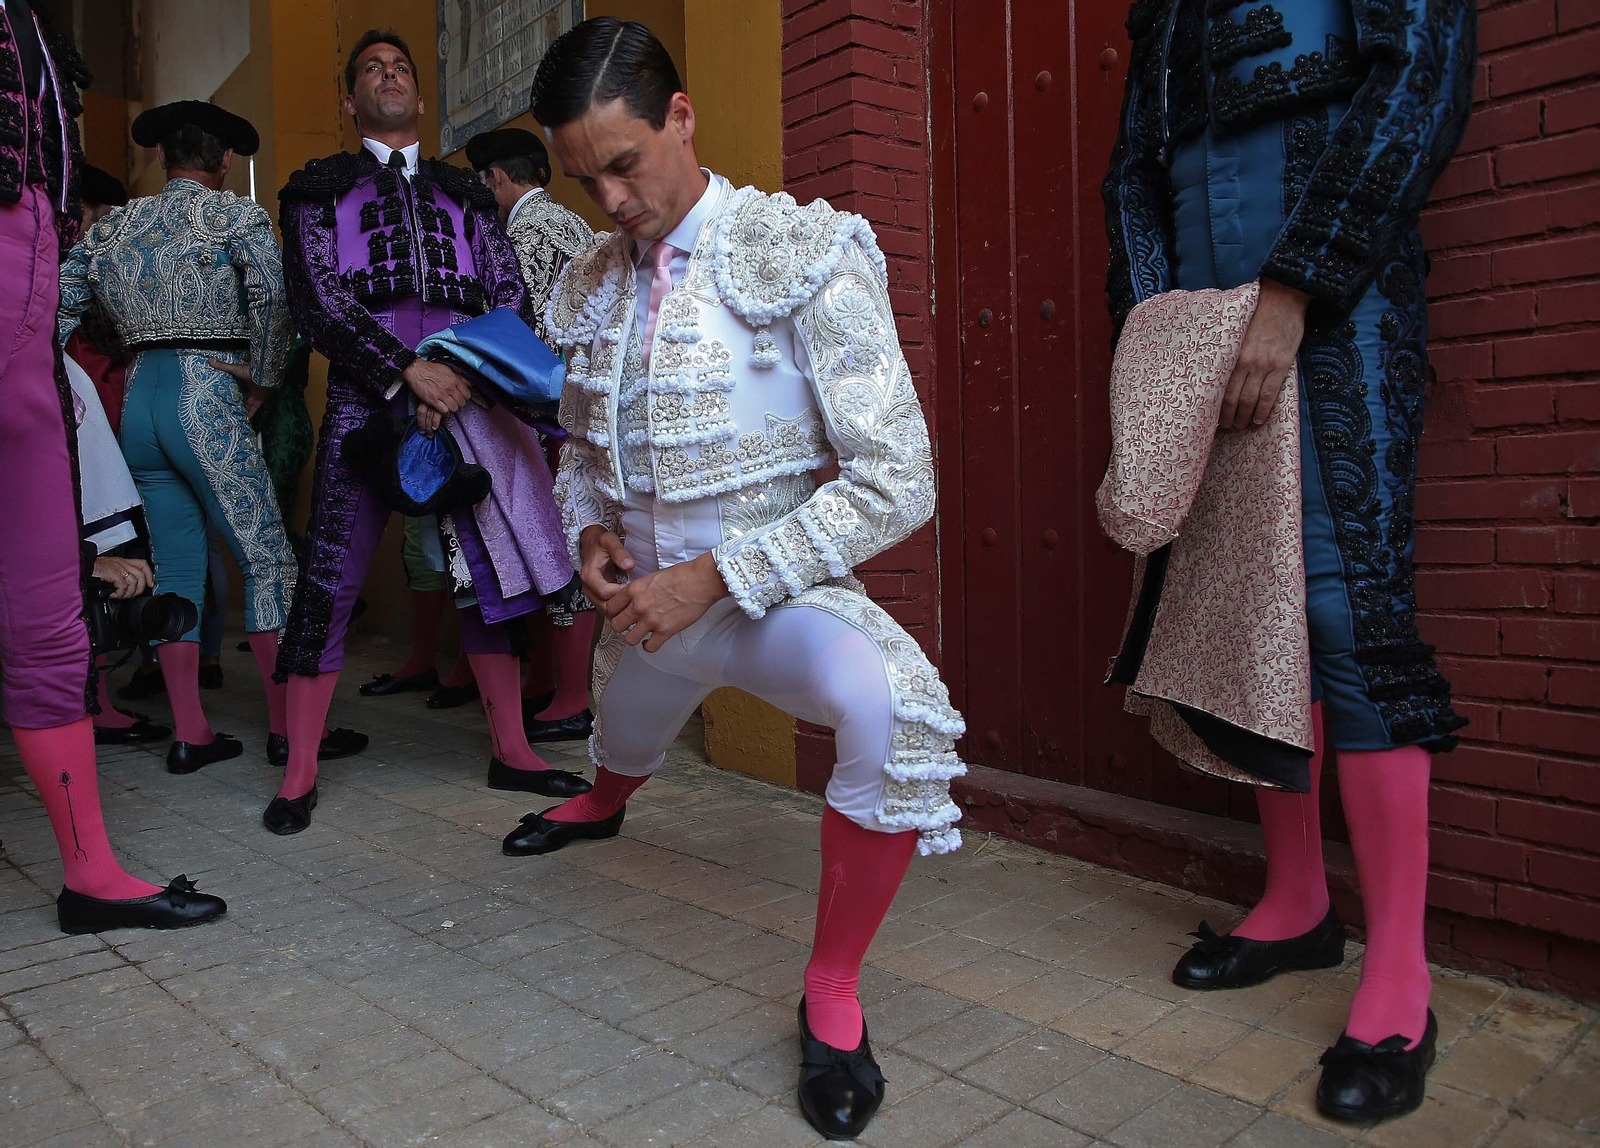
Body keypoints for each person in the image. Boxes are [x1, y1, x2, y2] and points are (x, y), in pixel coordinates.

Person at [520, 19, 965, 1141]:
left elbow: (899, 477)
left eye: (625, 162)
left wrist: (712, 575)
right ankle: (605, 799)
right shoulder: (585, 279)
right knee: (625, 734)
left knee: (885, 706)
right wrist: (590, 537)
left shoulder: (796, 247)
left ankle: (830, 991)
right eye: (585, 178)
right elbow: (577, 451)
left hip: (773, 602)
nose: (610, 200)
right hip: (643, 614)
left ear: (682, 115)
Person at [1103, 0, 1475, 1123]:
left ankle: (1400, 972)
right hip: (1202, 342)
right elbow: (1135, 171)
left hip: (1338, 317)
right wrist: (1168, 332)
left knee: (1345, 611)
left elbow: (1418, 77)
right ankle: (1299, 897)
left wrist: (1292, 287)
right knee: (1239, 604)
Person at [273, 29, 590, 835]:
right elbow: (318, 299)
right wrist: (407, 372)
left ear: (421, 98)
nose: (390, 76)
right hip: (366, 392)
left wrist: (462, 379)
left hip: (470, 394)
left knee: (489, 568)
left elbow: (507, 294)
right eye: (373, 69)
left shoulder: (465, 193)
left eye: (402, 68)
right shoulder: (317, 189)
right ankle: (300, 771)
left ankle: (512, 750)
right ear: (350, 102)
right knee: (332, 576)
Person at [0, 0, 225, 933]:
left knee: (51, 617)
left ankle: (91, 871)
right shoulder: (225, 225)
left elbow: (70, 280)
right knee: (246, 553)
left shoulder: (110, 229)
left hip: (43, 355)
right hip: (184, 381)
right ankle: (195, 730)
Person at [58, 100, 367, 779]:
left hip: (138, 401)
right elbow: (276, 300)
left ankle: (191, 733)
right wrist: (262, 377)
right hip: (207, 389)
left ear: (161, 157)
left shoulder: (113, 229)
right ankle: (289, 734)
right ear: (225, 160)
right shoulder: (235, 215)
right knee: (266, 561)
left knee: (175, 567)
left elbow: (57, 312)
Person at [466, 125, 597, 744]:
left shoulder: (515, 234)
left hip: (550, 414)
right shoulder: (576, 225)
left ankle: (571, 696)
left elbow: (520, 340)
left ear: (495, 178)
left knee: (558, 543)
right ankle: (557, 686)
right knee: (572, 540)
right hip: (591, 406)